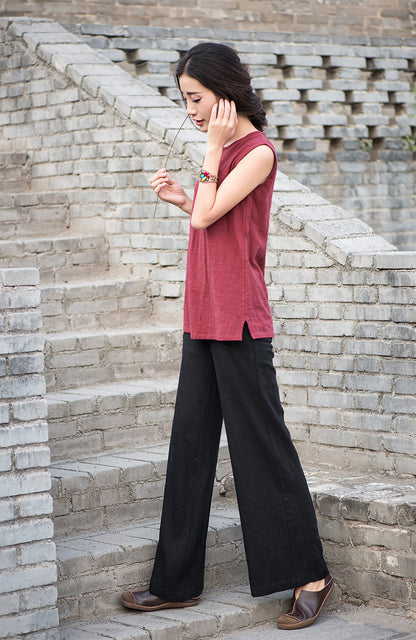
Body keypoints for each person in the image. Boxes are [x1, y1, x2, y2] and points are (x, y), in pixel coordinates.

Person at [121, 42, 333, 630]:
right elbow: (209, 214)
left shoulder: (256, 151)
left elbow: (208, 218)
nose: (190, 110)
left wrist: (209, 157)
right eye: (185, 101)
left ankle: (311, 575)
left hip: (239, 318)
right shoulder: (223, 154)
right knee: (189, 447)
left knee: (261, 447)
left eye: (196, 98)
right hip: (204, 314)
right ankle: (175, 583)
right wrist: (184, 197)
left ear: (224, 92)